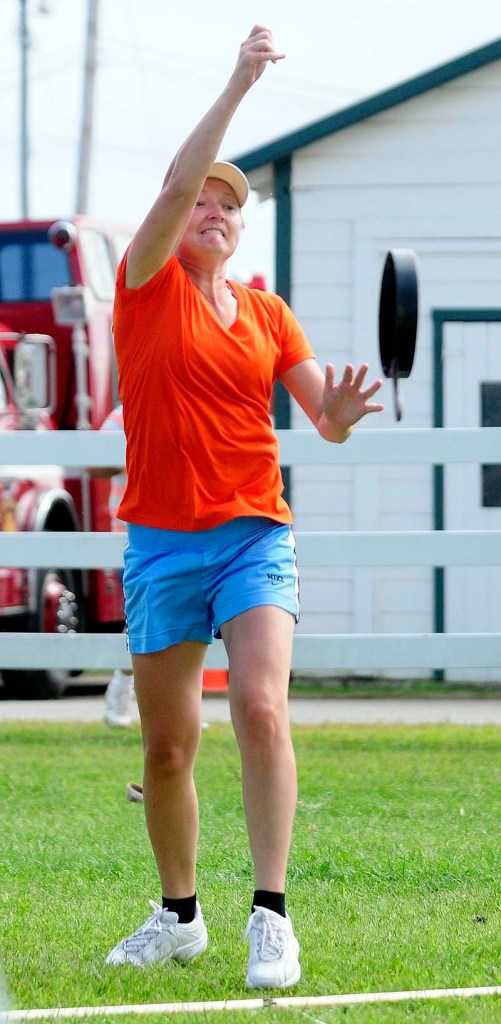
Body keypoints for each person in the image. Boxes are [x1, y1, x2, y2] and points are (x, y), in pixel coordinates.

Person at [105, 25, 384, 989]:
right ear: (175, 221)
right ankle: (180, 917)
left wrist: (338, 415)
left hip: (253, 537)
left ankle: (270, 915)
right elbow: (179, 181)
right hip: (160, 546)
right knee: (168, 746)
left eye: (229, 204)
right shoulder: (142, 290)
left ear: (242, 227)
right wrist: (237, 83)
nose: (210, 211)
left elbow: (323, 419)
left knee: (263, 708)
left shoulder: (267, 314)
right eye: (199, 203)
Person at [87, 404, 135, 727]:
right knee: (141, 620)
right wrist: (143, 456)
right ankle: (120, 688)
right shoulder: (122, 415)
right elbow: (94, 463)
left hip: (184, 534)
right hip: (130, 535)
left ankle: (123, 689)